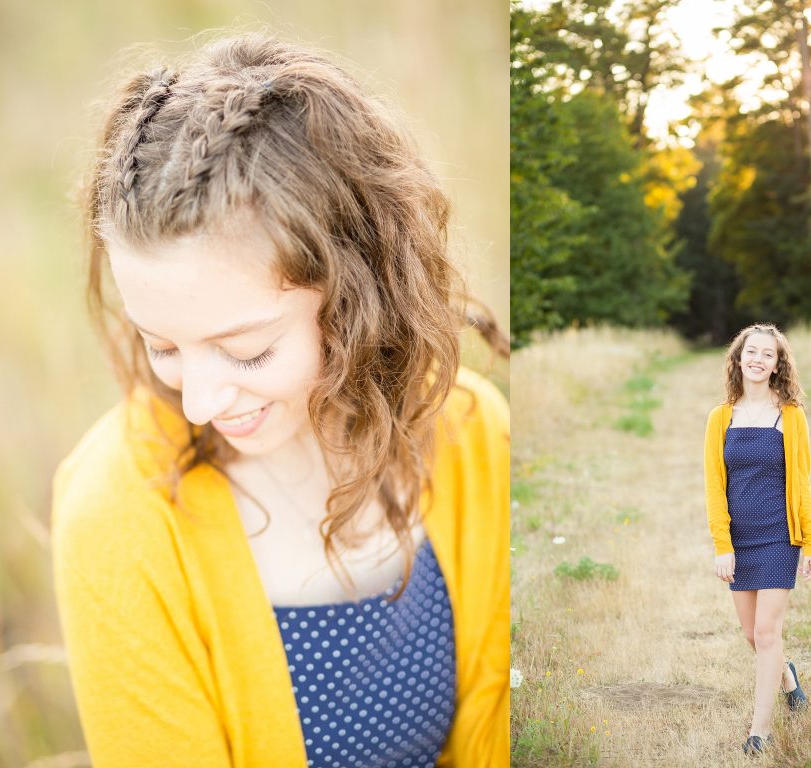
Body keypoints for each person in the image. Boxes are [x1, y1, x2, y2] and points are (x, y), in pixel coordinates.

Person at [51, 33, 509, 768]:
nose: (198, 402)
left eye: (246, 350)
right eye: (162, 346)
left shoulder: (474, 433)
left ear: (358, 297)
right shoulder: (118, 513)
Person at [703, 323, 811, 756]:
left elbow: (802, 482)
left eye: (767, 354)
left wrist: (810, 542)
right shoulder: (720, 417)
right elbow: (714, 487)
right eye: (751, 352)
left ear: (777, 365)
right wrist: (722, 545)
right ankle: (787, 676)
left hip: (778, 536)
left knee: (768, 631)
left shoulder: (790, 416)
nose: (757, 359)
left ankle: (760, 730)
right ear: (738, 359)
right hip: (739, 539)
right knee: (752, 635)